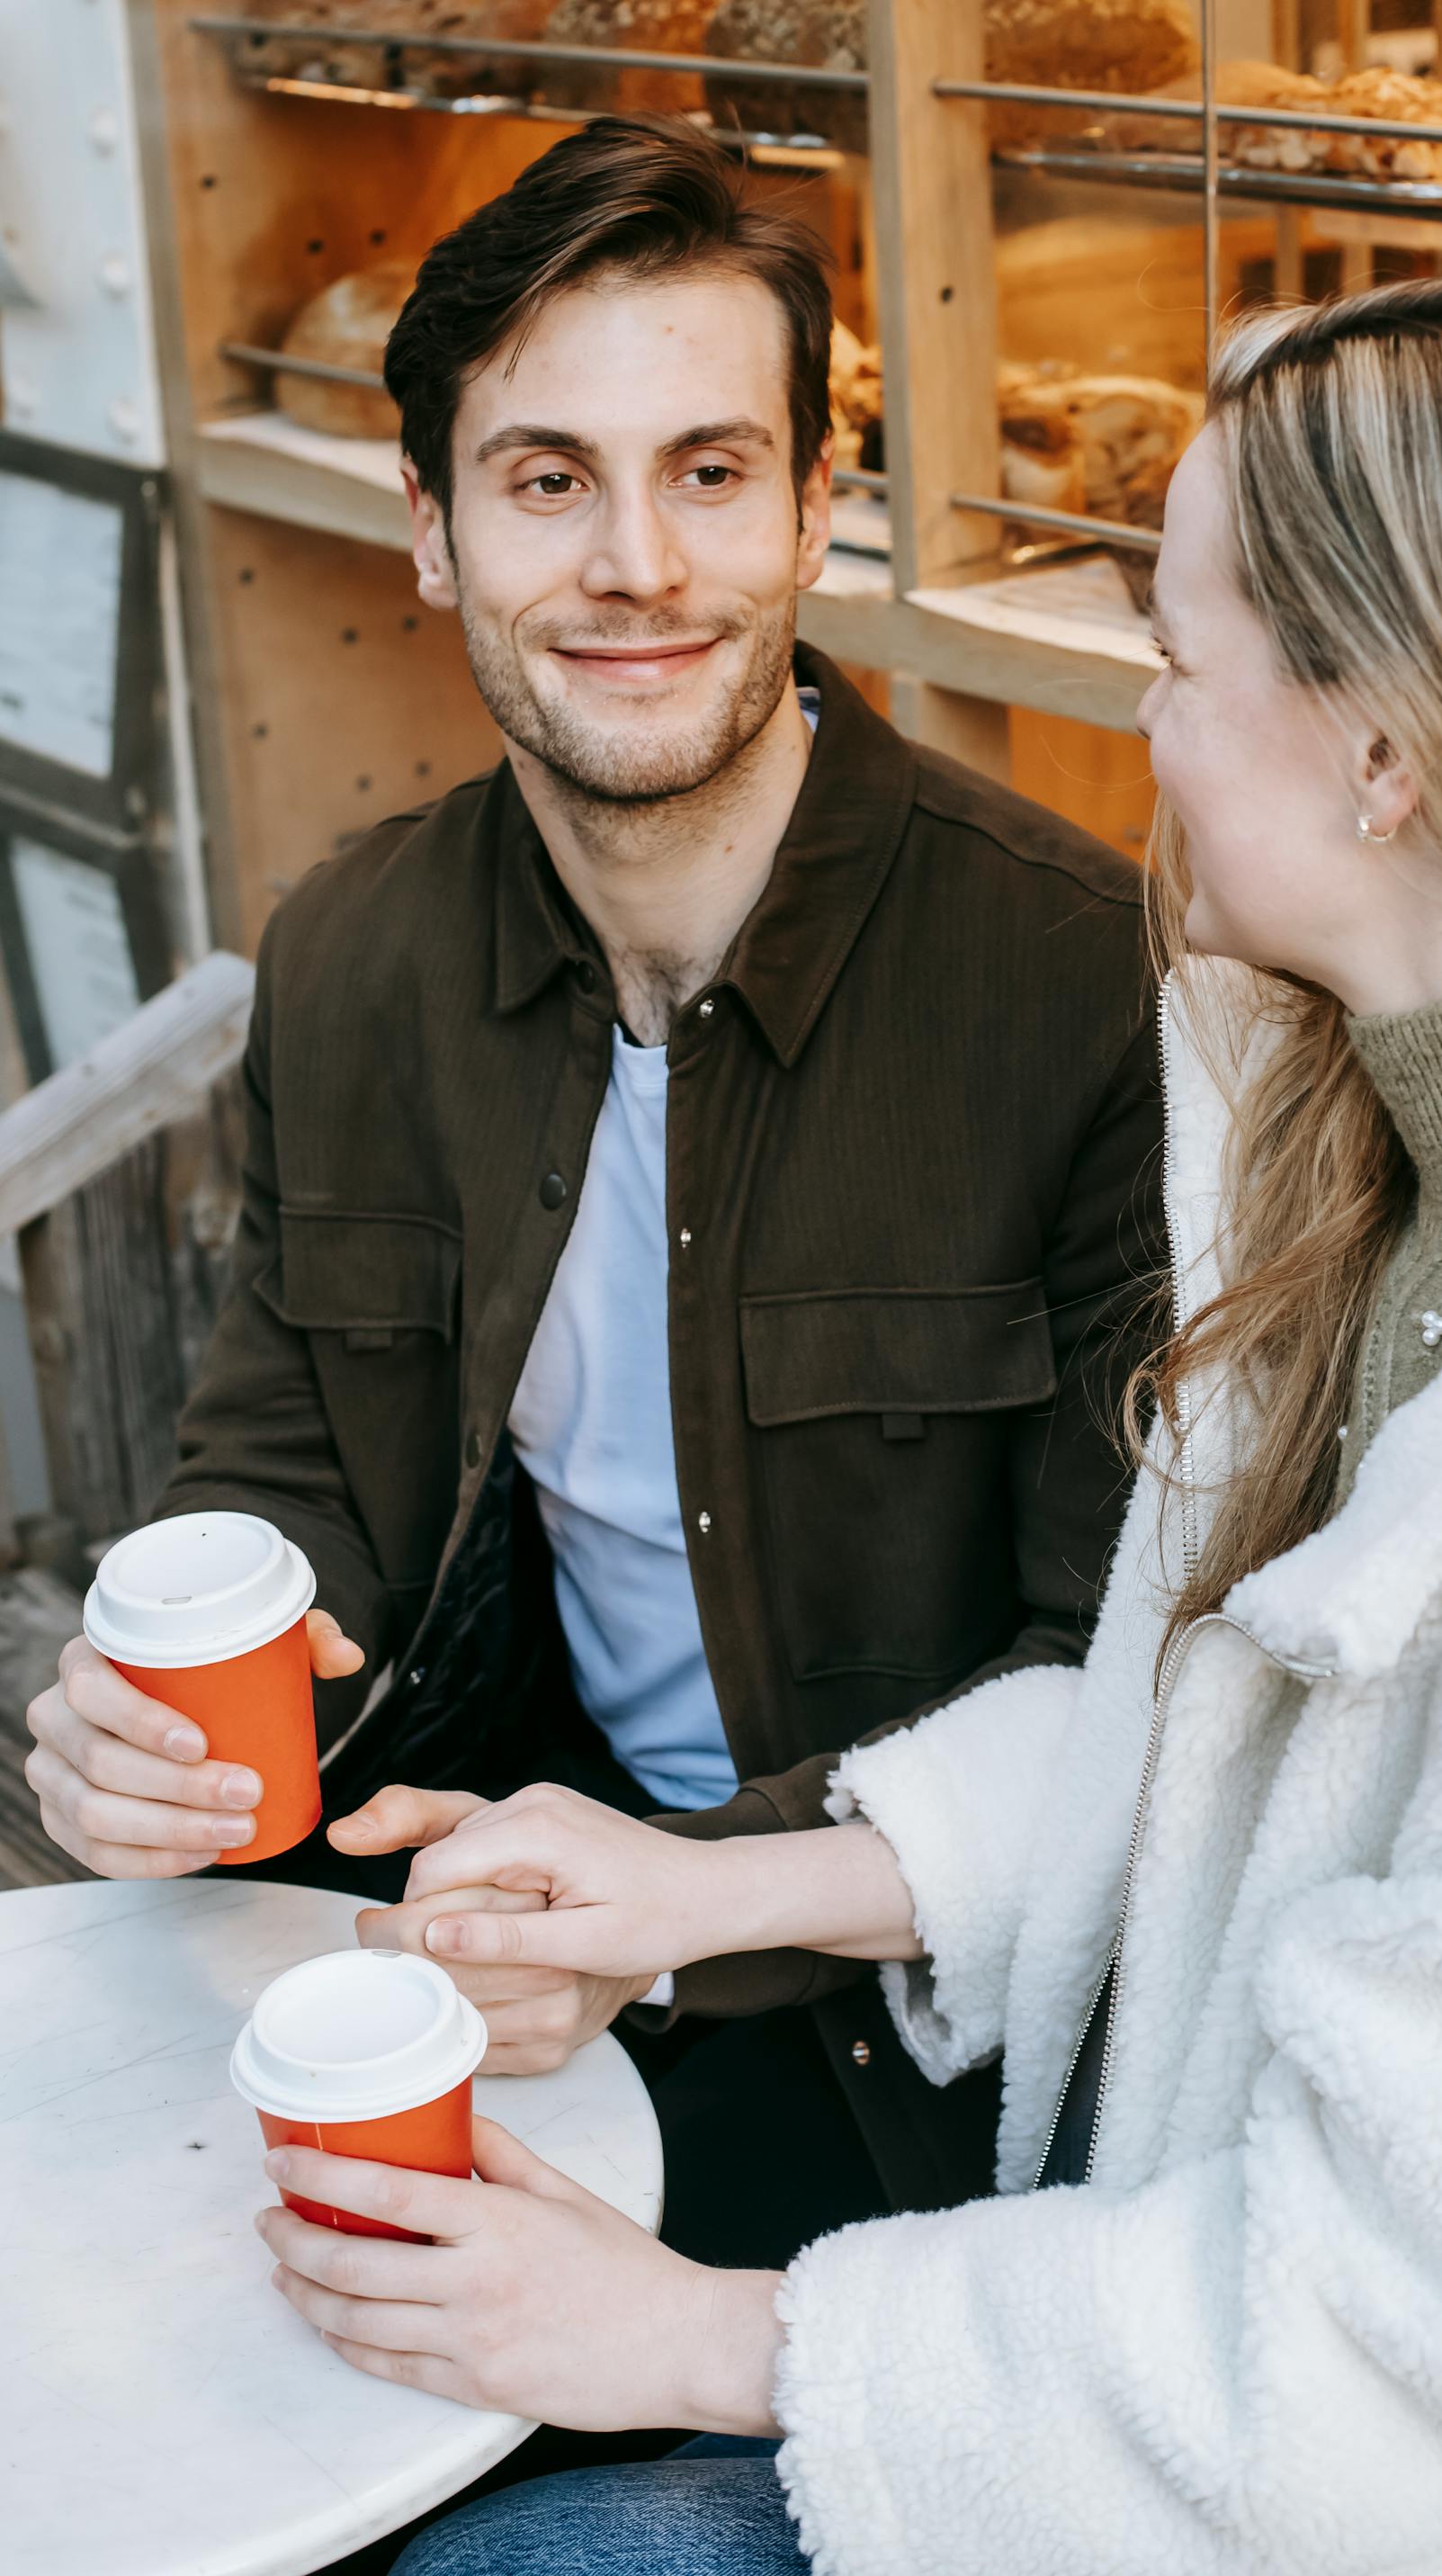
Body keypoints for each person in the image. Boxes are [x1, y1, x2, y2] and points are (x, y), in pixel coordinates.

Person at [256, 271, 1442, 2576]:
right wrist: (701, 1892)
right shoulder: (1349, 1147)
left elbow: (1381, 2357)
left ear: (1383, 754)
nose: (1135, 720)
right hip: (1165, 2333)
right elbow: (1209, 1762)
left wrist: (710, 2339)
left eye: (1179, 658)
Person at [21, 117, 1162, 2268]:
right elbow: (286, 1461)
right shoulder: (354, 950)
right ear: (434, 535)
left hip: (914, 2042)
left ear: (817, 512)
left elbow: (1117, 1687)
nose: (636, 563)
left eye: (711, 472)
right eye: (548, 479)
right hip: (477, 1930)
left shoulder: (1082, 981)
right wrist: (156, 1716)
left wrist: (678, 1916)